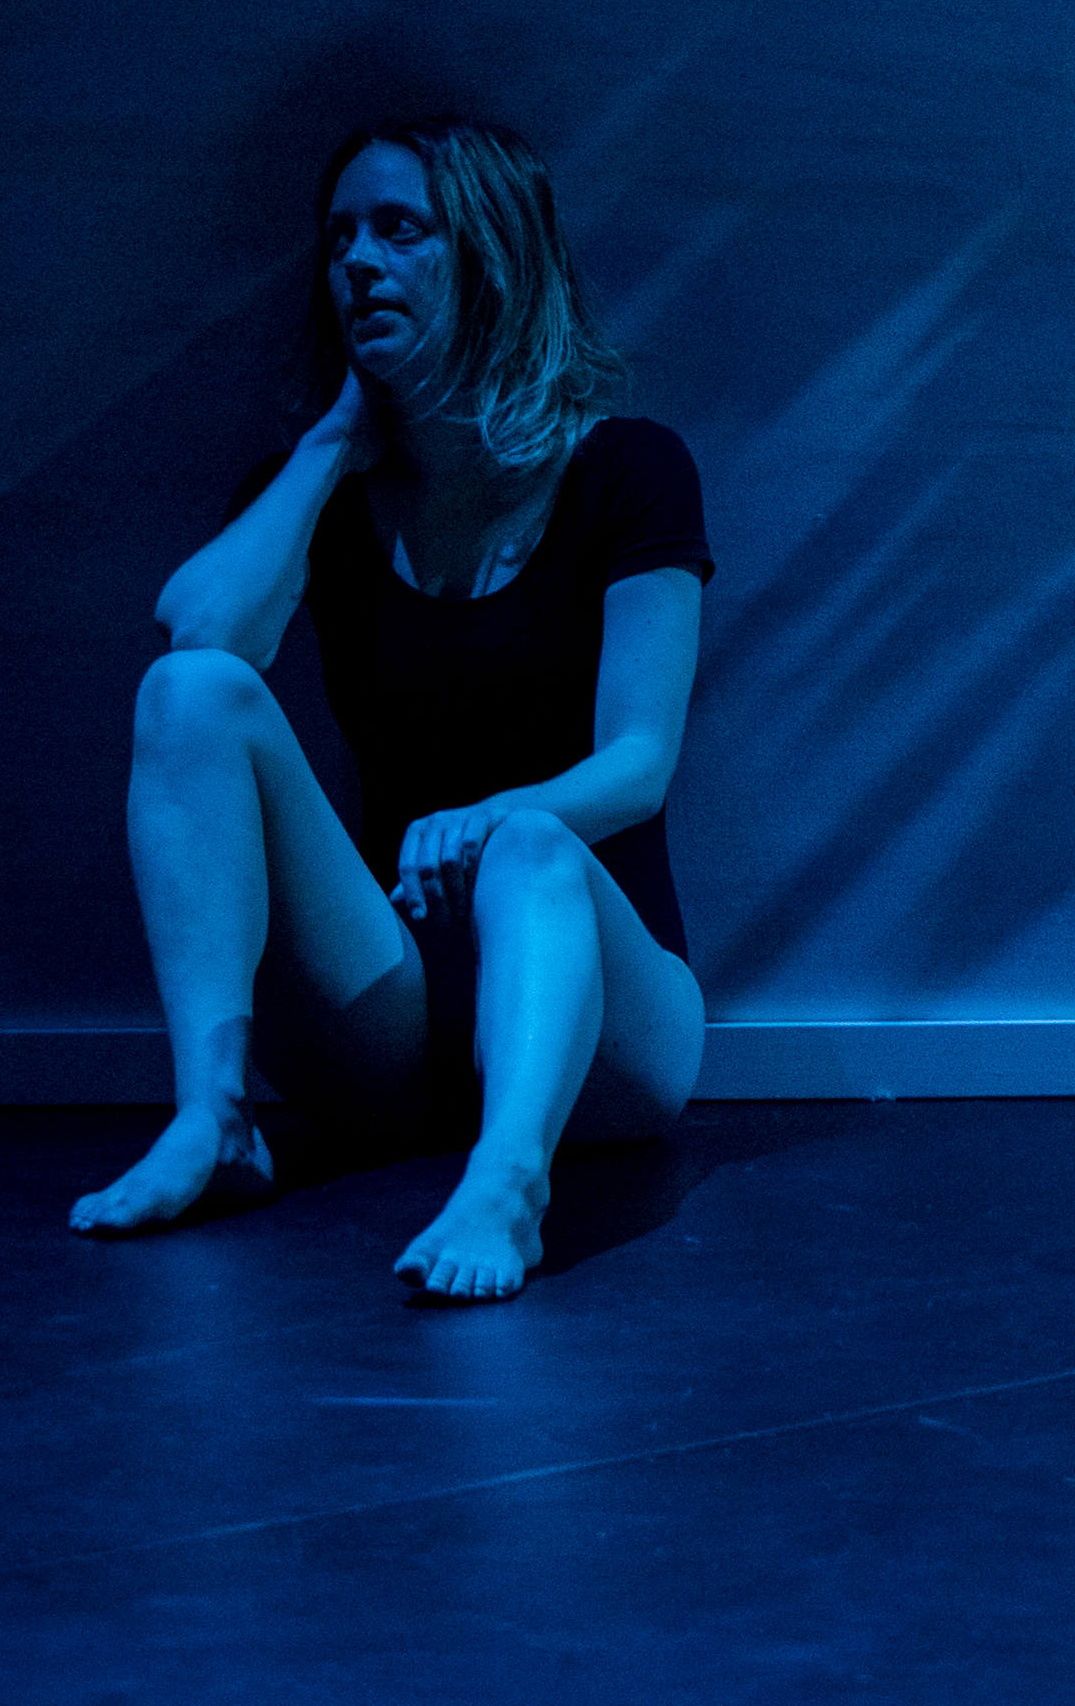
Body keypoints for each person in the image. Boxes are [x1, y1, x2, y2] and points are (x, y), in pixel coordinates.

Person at [72, 120, 711, 1301]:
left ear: (488, 252)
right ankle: (212, 1120)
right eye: (339, 240)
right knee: (189, 695)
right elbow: (200, 641)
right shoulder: (330, 489)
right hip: (400, 1010)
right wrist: (330, 443)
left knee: (529, 844)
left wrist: (486, 816)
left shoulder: (629, 469)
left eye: (399, 230)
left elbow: (639, 759)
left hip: (612, 1015)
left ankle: (510, 1182)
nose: (358, 261)